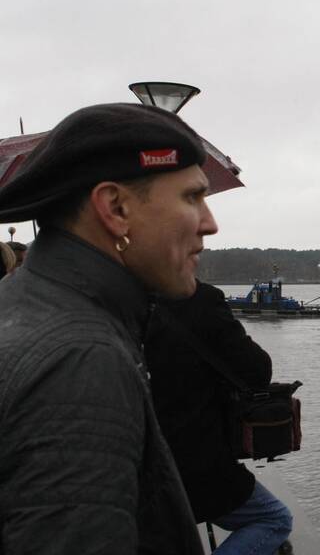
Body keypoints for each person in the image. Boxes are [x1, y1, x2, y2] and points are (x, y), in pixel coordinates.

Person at [0, 102, 215, 553]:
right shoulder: (80, 364)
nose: (210, 224)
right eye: (192, 197)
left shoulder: (24, 304)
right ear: (115, 208)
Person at [145, 282, 292, 554]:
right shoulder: (200, 300)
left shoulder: (121, 298)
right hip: (193, 462)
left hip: (137, 467)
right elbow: (258, 370)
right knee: (274, 519)